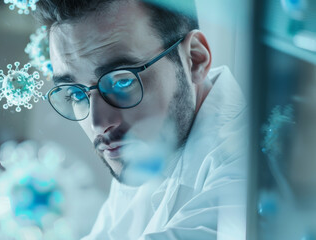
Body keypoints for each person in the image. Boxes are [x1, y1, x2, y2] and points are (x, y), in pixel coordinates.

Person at [34, 0, 248, 239]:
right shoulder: (147, 148)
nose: (99, 123)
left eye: (122, 81)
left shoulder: (248, 165)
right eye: (76, 93)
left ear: (195, 59)